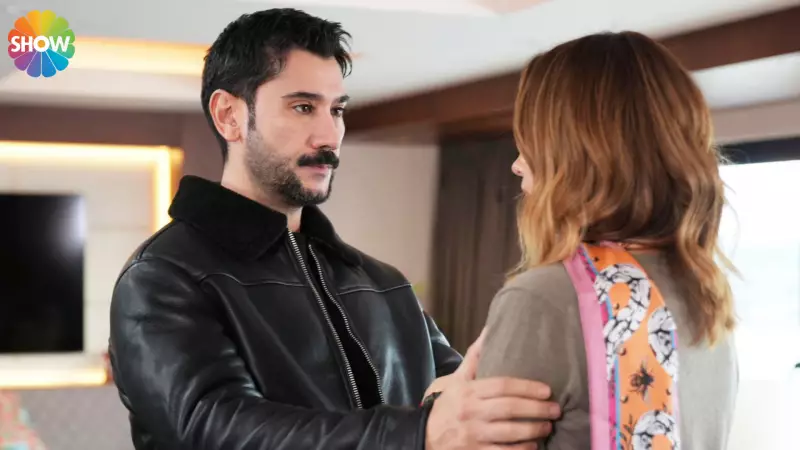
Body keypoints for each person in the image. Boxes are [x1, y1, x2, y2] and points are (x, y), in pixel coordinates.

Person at [108, 8, 560, 450]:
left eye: (337, 110)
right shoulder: (164, 276)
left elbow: (456, 397)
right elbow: (216, 428)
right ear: (229, 115)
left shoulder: (384, 284)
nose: (329, 136)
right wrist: (418, 434)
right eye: (303, 107)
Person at [476, 31, 739, 449]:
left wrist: (435, 410)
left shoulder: (546, 298)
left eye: (530, 141)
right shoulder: (706, 294)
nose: (517, 164)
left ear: (572, 152)